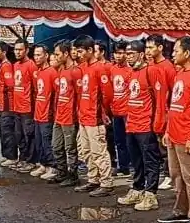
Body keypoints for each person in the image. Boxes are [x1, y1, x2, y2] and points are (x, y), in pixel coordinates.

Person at [157, 37, 190, 223]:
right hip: (174, 134)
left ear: (187, 53)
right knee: (176, 175)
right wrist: (168, 130)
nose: (173, 54)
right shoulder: (180, 74)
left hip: (188, 135)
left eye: (176, 50)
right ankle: (180, 210)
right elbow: (174, 105)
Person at [119, 41, 162, 211]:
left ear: (141, 54)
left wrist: (157, 125)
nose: (129, 57)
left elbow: (159, 99)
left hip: (146, 124)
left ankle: (151, 194)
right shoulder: (131, 73)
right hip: (132, 123)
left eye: (132, 54)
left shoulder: (151, 71)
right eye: (127, 54)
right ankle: (137, 188)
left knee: (150, 160)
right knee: (136, 160)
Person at [74, 37, 114, 197]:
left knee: (99, 151)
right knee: (86, 151)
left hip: (94, 117)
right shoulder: (84, 68)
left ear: (90, 51)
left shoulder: (99, 68)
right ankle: (93, 179)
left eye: (81, 51)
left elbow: (107, 94)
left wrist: (102, 112)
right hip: (84, 116)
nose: (78, 54)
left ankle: (106, 182)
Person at [147, 37, 177, 191]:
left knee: (166, 148)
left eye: (151, 47)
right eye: (147, 47)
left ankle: (169, 175)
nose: (148, 51)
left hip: (166, 113)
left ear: (160, 47)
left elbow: (174, 93)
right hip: (155, 113)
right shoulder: (150, 66)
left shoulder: (168, 68)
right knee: (158, 147)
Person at [50, 41, 79, 187]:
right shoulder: (62, 71)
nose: (56, 57)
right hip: (59, 115)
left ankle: (73, 175)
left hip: (69, 117)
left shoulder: (75, 71)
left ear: (66, 54)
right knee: (56, 146)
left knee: (70, 148)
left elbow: (79, 95)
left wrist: (75, 115)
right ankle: (61, 172)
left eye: (57, 54)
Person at [30, 45, 58, 180]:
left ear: (46, 55)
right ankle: (43, 164)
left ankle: (52, 167)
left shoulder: (52, 72)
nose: (36, 57)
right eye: (35, 55)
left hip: (47, 114)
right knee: (39, 141)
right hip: (38, 113)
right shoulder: (39, 72)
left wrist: (52, 112)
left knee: (47, 141)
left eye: (39, 55)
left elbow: (56, 94)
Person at [10, 39, 37, 171]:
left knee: (29, 135)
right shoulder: (15, 65)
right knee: (18, 135)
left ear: (26, 50)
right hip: (17, 107)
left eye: (20, 49)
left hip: (27, 108)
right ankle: (23, 158)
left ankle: (31, 161)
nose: (17, 52)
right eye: (15, 49)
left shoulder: (31, 65)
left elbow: (36, 87)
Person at [109, 45, 133, 178]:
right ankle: (123, 166)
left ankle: (132, 165)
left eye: (121, 53)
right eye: (116, 53)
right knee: (119, 140)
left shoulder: (130, 70)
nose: (118, 56)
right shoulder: (112, 70)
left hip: (128, 111)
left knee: (130, 140)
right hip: (116, 111)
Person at [0, 43, 19, 168]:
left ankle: (12, 157)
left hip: (8, 105)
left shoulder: (6, 66)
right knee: (3, 131)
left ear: (3, 52)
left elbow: (10, 85)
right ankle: (6, 155)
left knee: (8, 131)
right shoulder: (1, 66)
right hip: (3, 104)